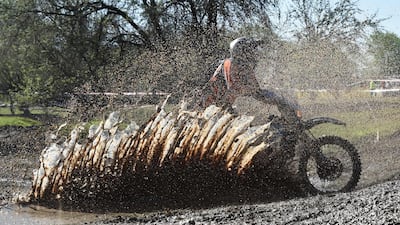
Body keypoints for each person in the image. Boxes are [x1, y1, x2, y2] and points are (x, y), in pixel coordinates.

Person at [202, 37, 262, 109]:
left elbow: (257, 92)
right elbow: (233, 89)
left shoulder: (245, 68)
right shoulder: (230, 64)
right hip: (209, 108)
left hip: (221, 106)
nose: (254, 53)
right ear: (242, 52)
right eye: (250, 50)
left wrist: (277, 100)